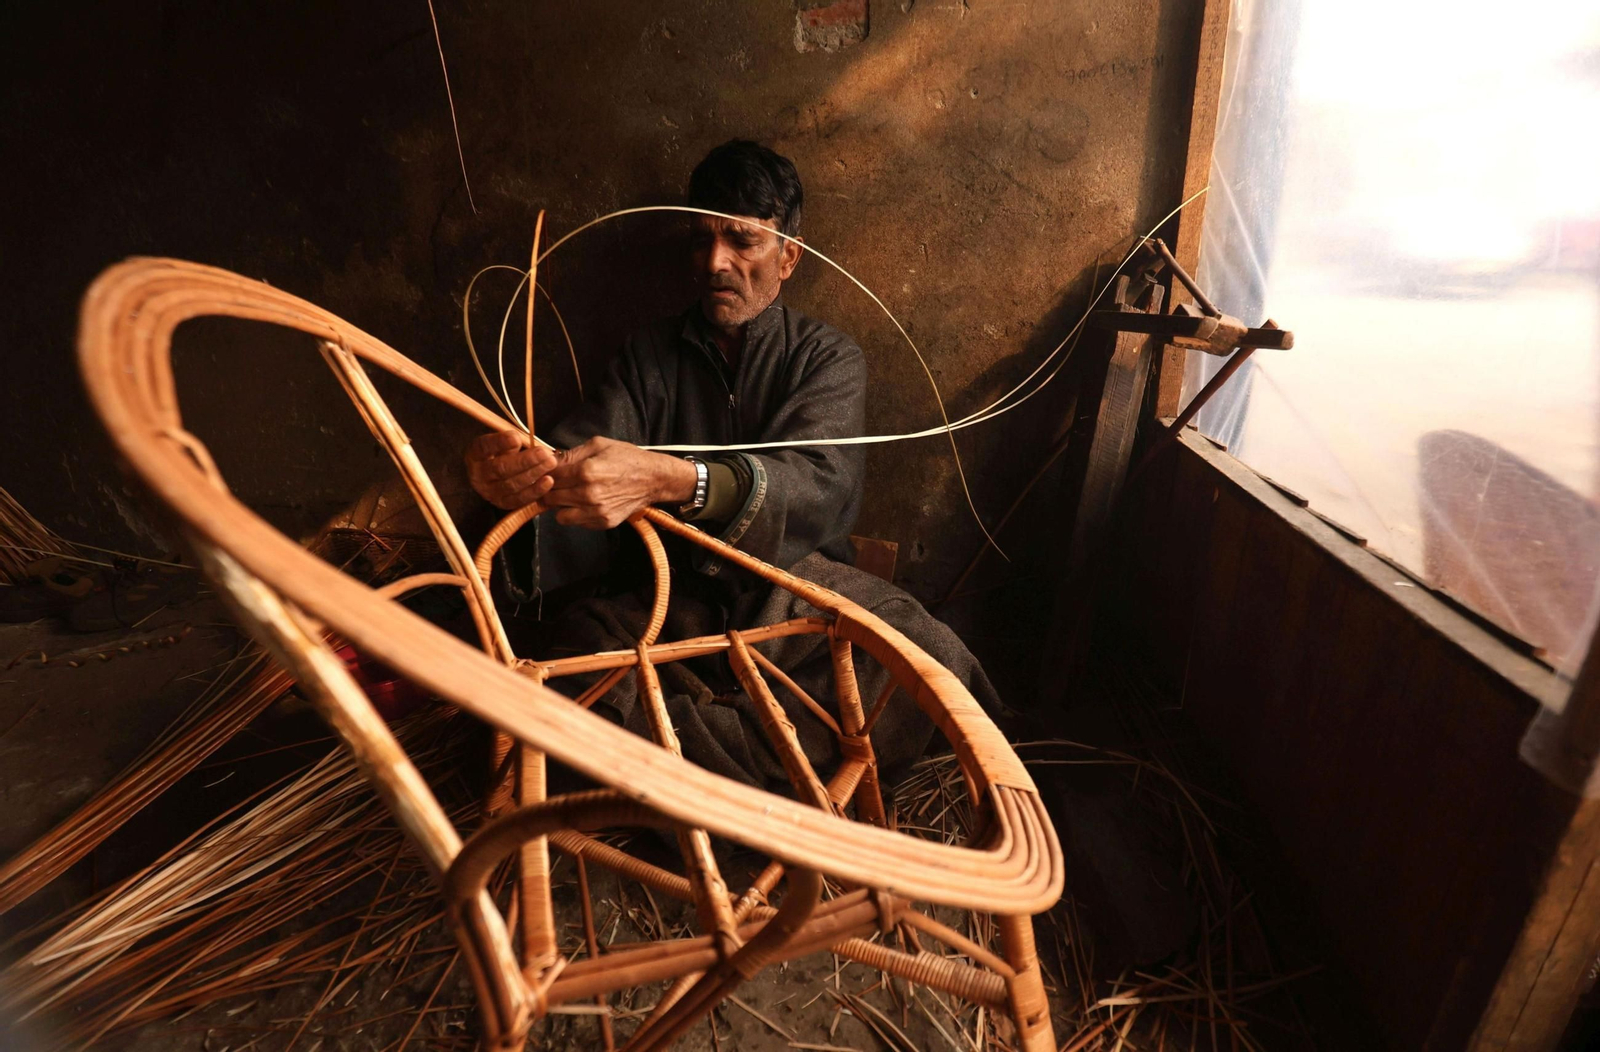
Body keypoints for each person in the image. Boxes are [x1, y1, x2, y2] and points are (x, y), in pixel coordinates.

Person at [463, 139, 1002, 792]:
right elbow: (575, 458)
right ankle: (750, 769)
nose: (715, 262)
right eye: (703, 240)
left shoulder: (827, 359)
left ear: (788, 258)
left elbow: (818, 486)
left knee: (927, 663)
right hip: (665, 598)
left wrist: (675, 480)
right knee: (563, 659)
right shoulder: (648, 357)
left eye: (740, 241)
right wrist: (516, 480)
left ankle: (663, 763)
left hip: (793, 597)